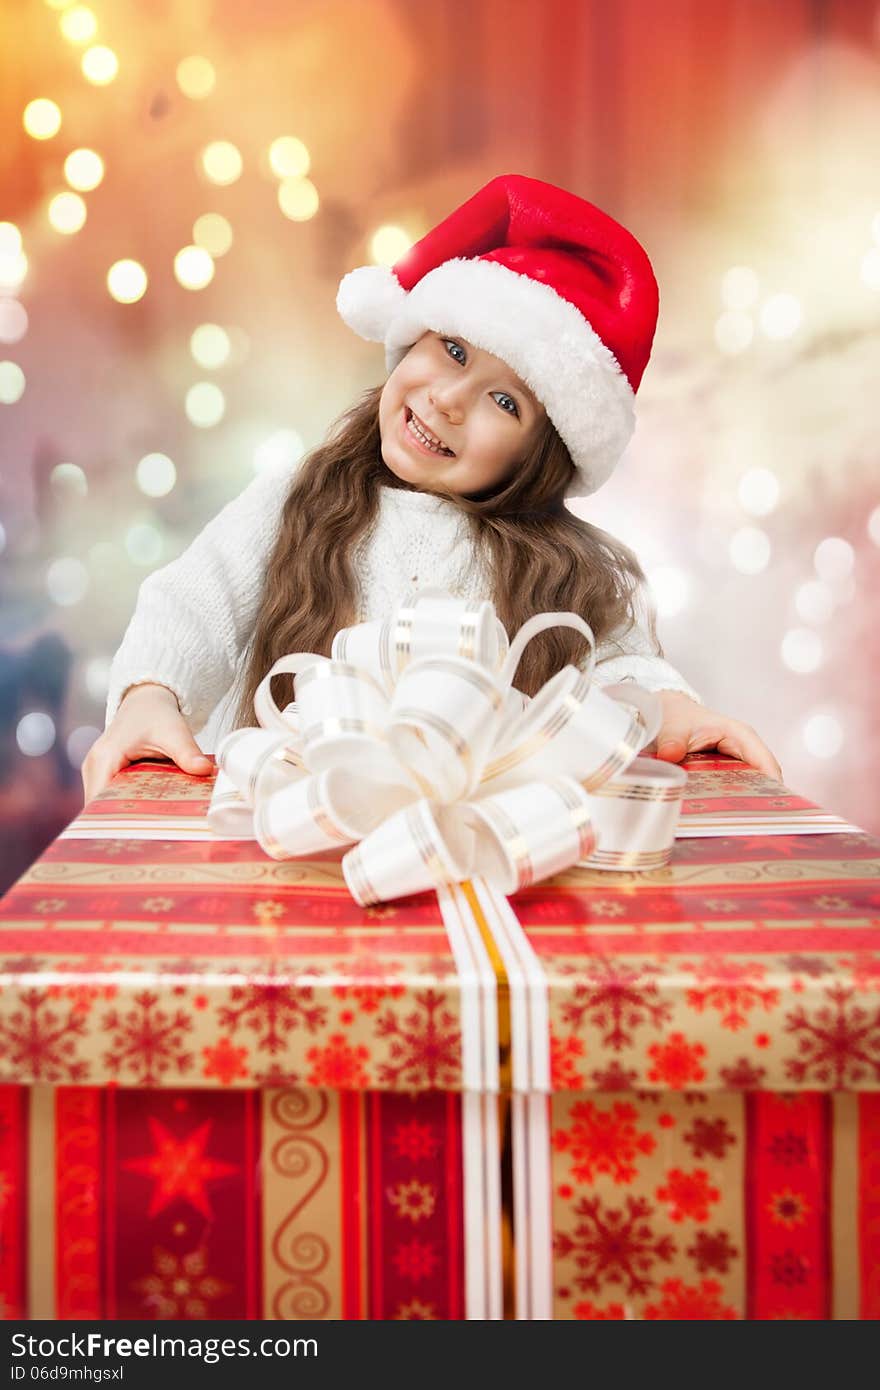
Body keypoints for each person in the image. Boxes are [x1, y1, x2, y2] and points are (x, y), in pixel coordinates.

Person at [82, 174, 780, 804]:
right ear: (409, 338)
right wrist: (151, 697)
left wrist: (671, 710)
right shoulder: (298, 498)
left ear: (543, 454)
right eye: (452, 350)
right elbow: (192, 605)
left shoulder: (569, 569)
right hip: (289, 829)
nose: (448, 400)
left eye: (504, 402)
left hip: (481, 852)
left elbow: (623, 668)